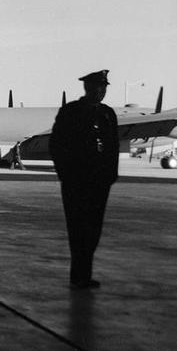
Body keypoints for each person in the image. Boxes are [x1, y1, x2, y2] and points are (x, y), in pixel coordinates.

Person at [50, 69, 119, 290]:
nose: (101, 91)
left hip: (100, 182)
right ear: (87, 88)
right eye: (97, 87)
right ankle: (78, 275)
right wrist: (65, 174)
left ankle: (84, 274)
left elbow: (113, 147)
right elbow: (56, 144)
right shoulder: (71, 111)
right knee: (77, 228)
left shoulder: (108, 114)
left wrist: (111, 175)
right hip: (76, 181)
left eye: (103, 88)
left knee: (94, 229)